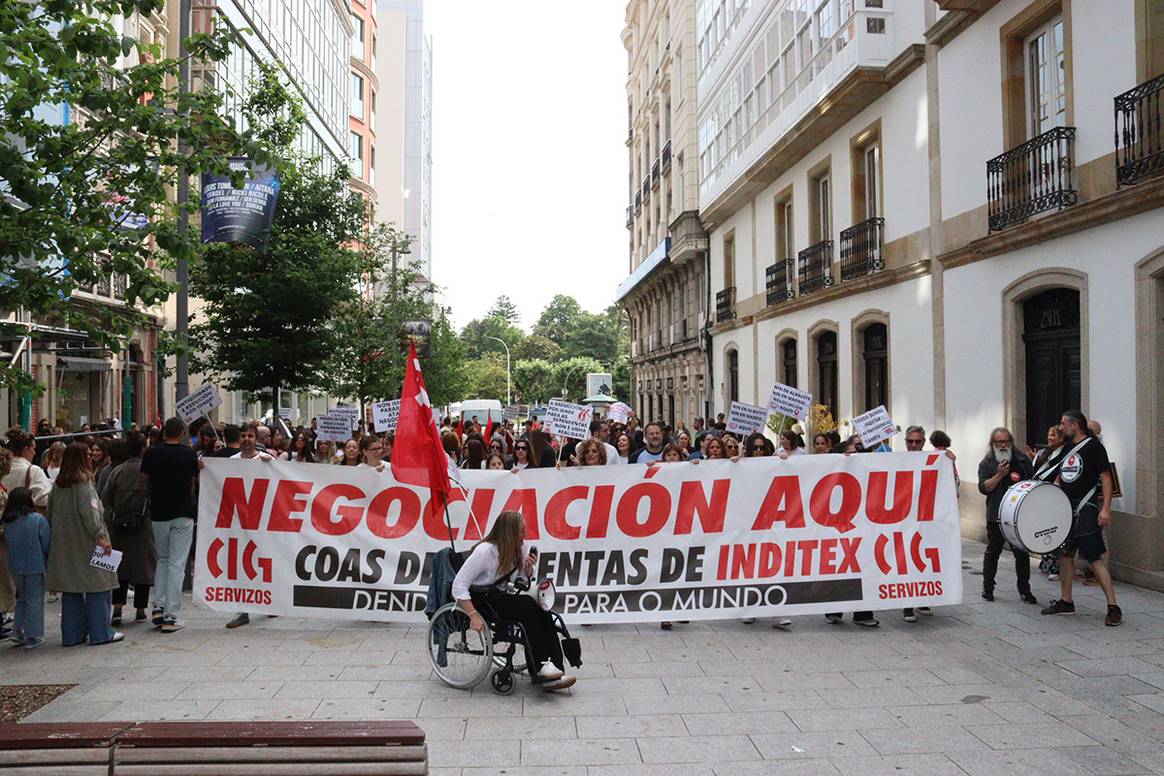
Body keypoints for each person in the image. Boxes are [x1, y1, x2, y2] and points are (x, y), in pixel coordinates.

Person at [452, 511, 576, 691]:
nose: (525, 536)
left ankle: (555, 668)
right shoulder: (485, 551)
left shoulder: (520, 549)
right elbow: (458, 585)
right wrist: (473, 615)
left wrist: (527, 570)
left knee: (542, 608)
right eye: (521, 531)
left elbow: (522, 583)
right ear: (509, 533)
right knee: (527, 607)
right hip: (481, 599)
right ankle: (541, 666)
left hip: (500, 596)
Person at [1042, 410, 1121, 626]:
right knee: (1066, 555)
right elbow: (1061, 474)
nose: (1060, 427)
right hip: (1066, 507)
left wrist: (1105, 509)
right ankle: (1066, 601)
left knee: (1093, 557)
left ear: (1075, 425)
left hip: (1085, 508)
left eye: (1062, 423)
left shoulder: (1094, 447)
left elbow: (1106, 479)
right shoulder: (1067, 447)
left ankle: (1113, 607)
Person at [46, 443, 123, 646]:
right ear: (82, 458)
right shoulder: (84, 483)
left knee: (71, 589)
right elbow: (91, 513)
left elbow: (50, 513)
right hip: (87, 542)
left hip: (64, 543)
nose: (91, 456)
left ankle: (72, 635)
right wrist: (101, 537)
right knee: (98, 585)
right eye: (89, 454)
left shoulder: (59, 485)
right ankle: (100, 632)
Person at [140, 418, 198, 633]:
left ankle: (158, 605)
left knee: (163, 560)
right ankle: (171, 615)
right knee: (177, 564)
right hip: (182, 512)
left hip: (159, 513)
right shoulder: (189, 454)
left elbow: (143, 480)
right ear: (182, 433)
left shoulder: (151, 453)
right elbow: (193, 483)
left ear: (164, 433)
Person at [977, 427, 1038, 605]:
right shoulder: (986, 463)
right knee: (993, 552)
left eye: (1006, 442)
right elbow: (983, 488)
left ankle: (1025, 590)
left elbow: (1031, 483)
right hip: (996, 514)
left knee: (1021, 553)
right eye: (999, 442)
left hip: (1018, 515)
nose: (1003, 445)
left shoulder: (1021, 460)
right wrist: (999, 475)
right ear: (993, 444)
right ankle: (988, 588)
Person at [100, 431, 156, 626]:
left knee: (120, 568)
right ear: (142, 449)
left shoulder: (117, 471)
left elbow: (106, 498)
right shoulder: (148, 471)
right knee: (143, 568)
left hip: (119, 525)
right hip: (143, 525)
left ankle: (117, 607)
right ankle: (140, 609)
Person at [3, 487, 50, 648]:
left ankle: (17, 631)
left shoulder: (7, 521)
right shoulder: (37, 519)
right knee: (35, 600)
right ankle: (33, 635)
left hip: (15, 565)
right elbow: (46, 543)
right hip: (35, 564)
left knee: (22, 598)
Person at [1028, 425, 1066, 581]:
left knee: (1052, 531)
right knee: (1042, 528)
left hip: (1055, 497)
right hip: (1040, 495)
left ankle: (1055, 567)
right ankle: (1046, 563)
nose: (1049, 438)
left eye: (1053, 435)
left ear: (1062, 438)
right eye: (1048, 435)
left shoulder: (1066, 454)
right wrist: (1032, 458)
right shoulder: (1043, 452)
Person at [4, 431, 52, 511]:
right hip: (24, 518)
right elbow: (44, 500)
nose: (34, 453)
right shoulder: (33, 471)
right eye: (33, 449)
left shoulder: (3, 469)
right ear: (26, 449)